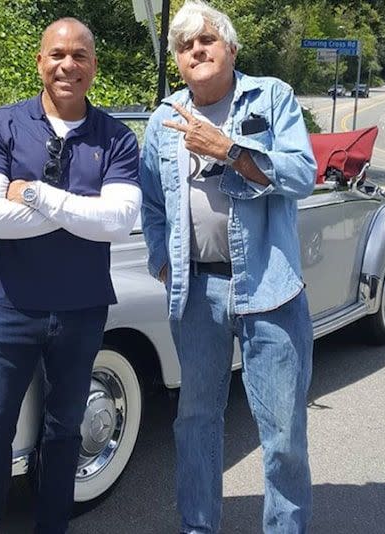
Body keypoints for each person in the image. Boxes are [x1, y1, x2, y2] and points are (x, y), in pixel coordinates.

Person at [0, 17, 141, 534]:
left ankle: (52, 527)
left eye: (80, 55)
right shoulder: (0, 125)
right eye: (57, 54)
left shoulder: (117, 139)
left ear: (94, 67)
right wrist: (84, 211)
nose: (68, 65)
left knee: (64, 432)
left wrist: (35, 194)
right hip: (10, 307)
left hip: (82, 309)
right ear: (40, 61)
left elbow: (119, 222)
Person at [139, 1, 317, 533]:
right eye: (185, 45)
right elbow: (152, 203)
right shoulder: (162, 121)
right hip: (195, 292)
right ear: (177, 61)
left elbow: (303, 174)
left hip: (270, 287)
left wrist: (230, 150)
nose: (196, 49)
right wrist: (163, 263)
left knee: (282, 430)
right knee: (195, 422)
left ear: (230, 48)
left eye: (207, 40)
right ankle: (198, 527)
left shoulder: (273, 96)